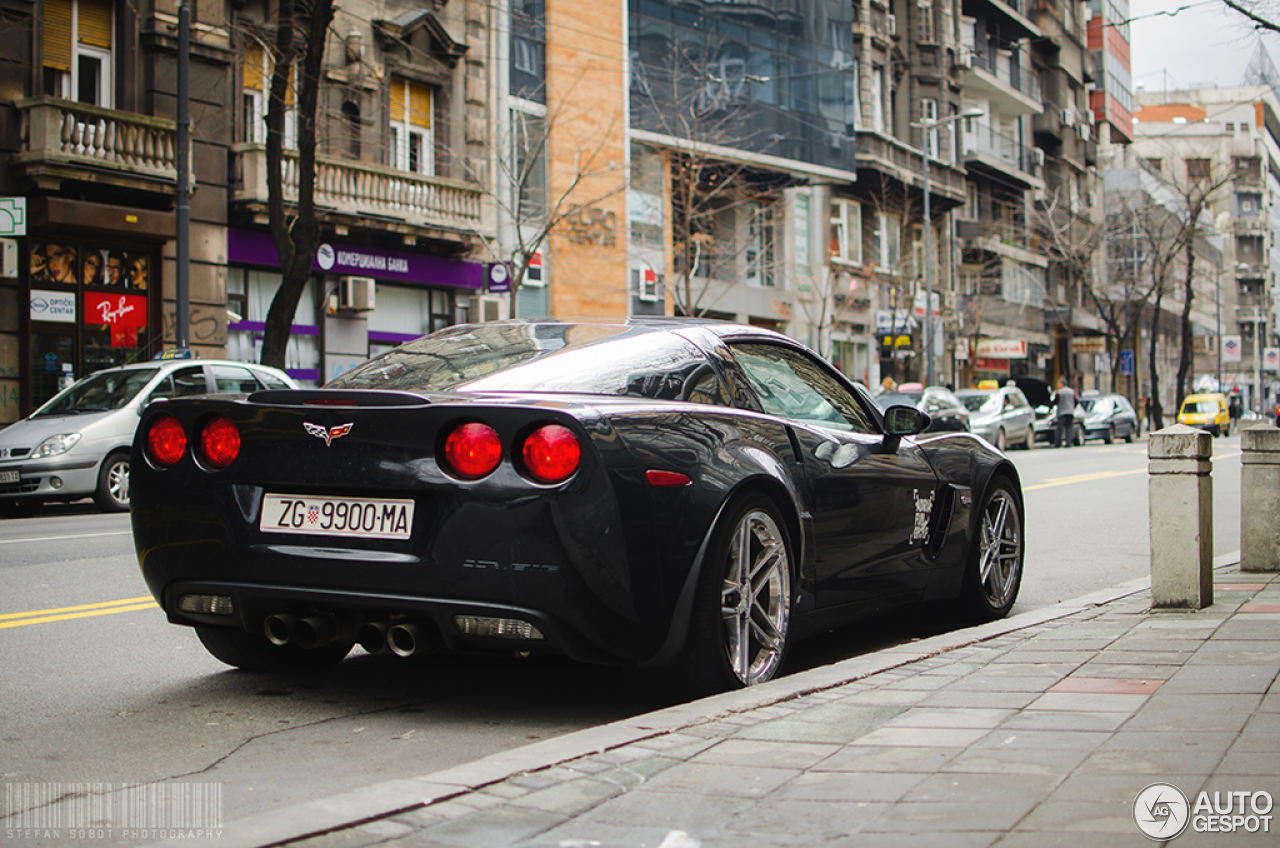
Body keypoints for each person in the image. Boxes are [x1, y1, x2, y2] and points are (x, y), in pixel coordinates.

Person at [1053, 376, 1076, 448]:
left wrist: (1050, 407)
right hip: (1070, 412)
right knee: (1069, 428)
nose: (1057, 385)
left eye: (1058, 383)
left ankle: (1058, 443)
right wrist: (1072, 407)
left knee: (1060, 428)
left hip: (1062, 413)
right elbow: (1076, 401)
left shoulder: (1059, 392)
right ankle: (1069, 442)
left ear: (1061, 384)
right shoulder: (1071, 392)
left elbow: (1055, 401)